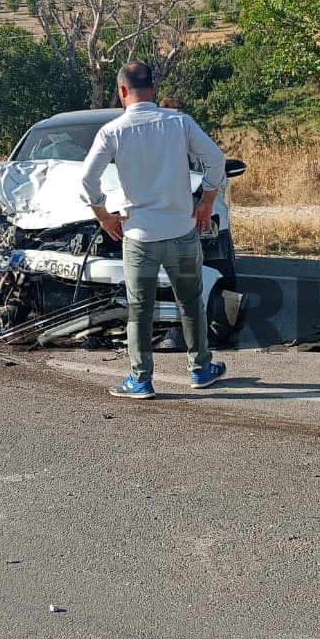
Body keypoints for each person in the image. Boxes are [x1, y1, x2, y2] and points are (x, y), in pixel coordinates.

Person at [80, 62, 229, 399]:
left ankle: (141, 380)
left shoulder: (113, 132)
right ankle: (200, 369)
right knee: (190, 304)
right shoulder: (179, 122)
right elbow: (216, 160)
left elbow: (88, 180)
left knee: (139, 310)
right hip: (181, 233)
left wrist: (103, 215)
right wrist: (206, 202)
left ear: (121, 91)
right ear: (154, 88)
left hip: (138, 238)